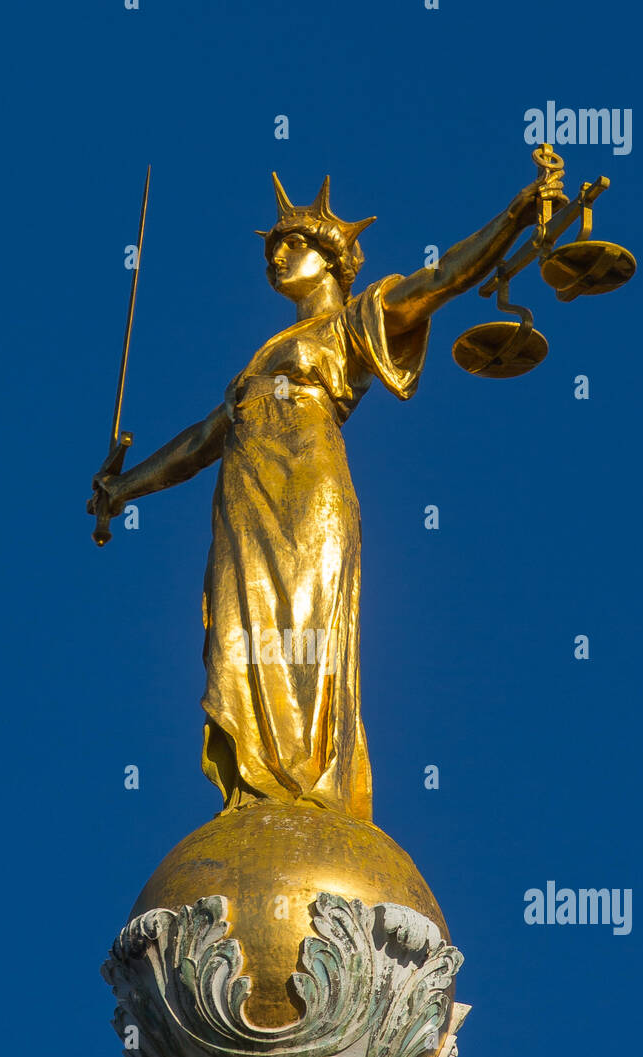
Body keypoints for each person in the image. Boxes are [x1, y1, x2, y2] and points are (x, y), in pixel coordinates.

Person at [88, 172, 544, 822]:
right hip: (246, 509)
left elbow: (440, 280)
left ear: (332, 260)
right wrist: (123, 489)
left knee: (304, 631)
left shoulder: (353, 324)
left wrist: (514, 218)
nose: (276, 258)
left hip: (308, 499)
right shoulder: (260, 361)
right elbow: (199, 442)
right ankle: (256, 789)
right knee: (237, 642)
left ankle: (306, 788)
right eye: (271, 249)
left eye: (291, 244)